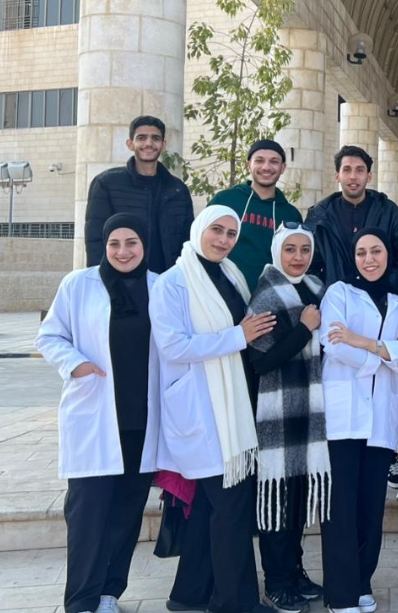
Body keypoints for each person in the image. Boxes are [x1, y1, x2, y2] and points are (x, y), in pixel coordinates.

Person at [150, 205, 279, 613]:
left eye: (231, 233)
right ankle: (235, 603)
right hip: (203, 411)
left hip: (231, 404)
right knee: (231, 509)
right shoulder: (173, 283)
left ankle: (188, 594)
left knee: (211, 506)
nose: (223, 240)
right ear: (199, 229)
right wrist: (236, 336)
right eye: (217, 230)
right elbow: (173, 346)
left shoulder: (231, 274)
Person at [37, 213, 161, 613]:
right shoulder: (78, 284)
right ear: (104, 246)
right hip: (94, 417)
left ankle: (109, 593)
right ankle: (81, 601)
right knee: (87, 514)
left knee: (127, 511)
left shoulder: (159, 287)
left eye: (132, 243)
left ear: (144, 245)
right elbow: (50, 335)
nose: (123, 252)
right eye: (114, 244)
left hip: (140, 422)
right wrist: (76, 364)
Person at [319, 228, 398, 613]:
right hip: (344, 417)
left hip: (381, 418)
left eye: (376, 251)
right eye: (361, 252)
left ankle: (362, 582)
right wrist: (385, 356)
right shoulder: (339, 293)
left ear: (388, 255)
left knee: (370, 506)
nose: (369, 259)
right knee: (340, 508)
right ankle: (341, 594)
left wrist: (363, 342)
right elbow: (334, 345)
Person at [246, 223, 329, 613]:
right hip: (279, 412)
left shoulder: (314, 288)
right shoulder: (266, 295)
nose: (298, 257)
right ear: (277, 251)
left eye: (304, 249)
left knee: (296, 497)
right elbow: (260, 361)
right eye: (290, 249)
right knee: (277, 498)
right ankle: (277, 582)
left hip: (308, 410)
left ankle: (295, 572)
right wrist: (304, 330)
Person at [84, 115, 193, 273]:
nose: (149, 143)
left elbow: (187, 240)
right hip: (123, 279)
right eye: (141, 138)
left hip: (167, 280)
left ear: (163, 145)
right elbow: (95, 239)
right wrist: (100, 279)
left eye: (155, 138)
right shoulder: (107, 183)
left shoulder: (178, 189)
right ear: (130, 144)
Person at [306, 145, 398, 290]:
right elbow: (308, 263)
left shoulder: (388, 211)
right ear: (337, 176)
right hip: (334, 300)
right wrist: (327, 293)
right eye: (347, 170)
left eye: (360, 170)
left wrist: (383, 289)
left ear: (369, 176)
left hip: (378, 299)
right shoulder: (320, 216)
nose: (353, 176)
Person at [209, 139, 303, 292]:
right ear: (249, 165)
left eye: (274, 161)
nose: (266, 167)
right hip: (221, 293)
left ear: (283, 168)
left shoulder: (291, 215)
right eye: (259, 160)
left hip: (269, 298)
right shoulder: (225, 200)